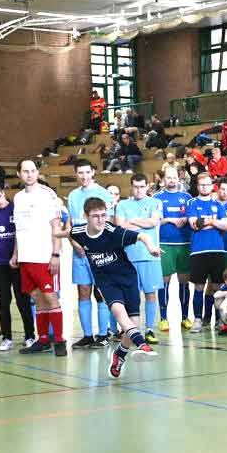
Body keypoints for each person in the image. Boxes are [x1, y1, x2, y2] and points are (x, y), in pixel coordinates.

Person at [69, 197, 160, 378]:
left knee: (133, 323)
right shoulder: (78, 231)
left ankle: (120, 354)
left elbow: (142, 235)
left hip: (128, 278)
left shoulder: (113, 231)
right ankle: (142, 343)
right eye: (96, 216)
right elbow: (68, 233)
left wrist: (151, 247)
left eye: (104, 215)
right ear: (86, 216)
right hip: (106, 281)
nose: (101, 220)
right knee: (119, 313)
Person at [12, 160, 67, 356]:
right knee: (37, 298)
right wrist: (16, 254)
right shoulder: (17, 198)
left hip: (44, 257)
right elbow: (20, 229)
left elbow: (56, 228)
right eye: (25, 171)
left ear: (37, 173)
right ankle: (42, 339)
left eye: (33, 171)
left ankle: (59, 341)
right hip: (26, 258)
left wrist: (55, 254)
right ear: (19, 174)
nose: (29, 174)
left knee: (50, 297)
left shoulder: (47, 196)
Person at [66, 161, 113, 349]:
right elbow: (70, 226)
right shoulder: (73, 196)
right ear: (76, 174)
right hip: (79, 253)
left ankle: (103, 335)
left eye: (87, 172)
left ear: (93, 172)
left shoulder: (103, 194)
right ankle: (87, 335)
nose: (84, 176)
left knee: (100, 293)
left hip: (99, 252)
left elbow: (108, 225)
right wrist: (74, 243)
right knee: (83, 292)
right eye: (80, 173)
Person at [0, 183, 34, 350]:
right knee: (3, 302)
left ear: (3, 192)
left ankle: (30, 336)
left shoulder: (16, 208)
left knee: (22, 301)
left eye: (0, 196)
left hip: (18, 263)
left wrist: (17, 255)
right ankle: (6, 338)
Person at [115, 174, 164, 345]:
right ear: (131, 186)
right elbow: (120, 227)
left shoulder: (155, 202)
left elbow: (153, 222)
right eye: (135, 186)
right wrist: (142, 222)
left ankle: (150, 329)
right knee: (131, 297)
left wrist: (133, 221)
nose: (138, 190)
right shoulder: (122, 204)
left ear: (147, 187)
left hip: (150, 256)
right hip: (128, 257)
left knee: (151, 295)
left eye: (142, 186)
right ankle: (130, 330)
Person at [187, 173, 227, 333]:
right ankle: (197, 320)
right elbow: (195, 224)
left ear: (211, 186)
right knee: (199, 288)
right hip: (198, 251)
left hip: (217, 251)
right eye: (202, 185)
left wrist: (208, 221)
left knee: (217, 288)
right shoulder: (192, 203)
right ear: (198, 186)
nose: (204, 187)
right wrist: (215, 223)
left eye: (207, 185)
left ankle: (219, 320)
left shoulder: (218, 204)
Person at [155, 166, 193, 331]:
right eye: (168, 177)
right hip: (164, 245)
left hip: (184, 245)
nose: (171, 180)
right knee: (164, 283)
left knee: (184, 283)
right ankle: (163, 318)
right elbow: (154, 222)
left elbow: (193, 218)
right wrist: (169, 219)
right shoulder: (156, 198)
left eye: (174, 177)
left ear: (179, 178)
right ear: (163, 179)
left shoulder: (187, 197)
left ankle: (185, 317)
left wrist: (186, 218)